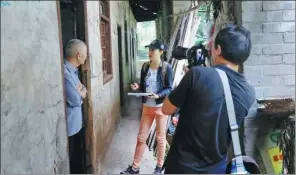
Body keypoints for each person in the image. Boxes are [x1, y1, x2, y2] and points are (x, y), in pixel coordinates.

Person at [160, 25, 256, 174]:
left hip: (181, 167)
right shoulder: (249, 93)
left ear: (218, 49)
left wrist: (186, 82)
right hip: (216, 169)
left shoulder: (197, 75)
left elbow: (166, 109)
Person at [120, 39, 174, 174]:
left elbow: (170, 88)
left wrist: (159, 94)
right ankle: (135, 167)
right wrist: (137, 86)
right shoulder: (145, 67)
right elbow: (144, 86)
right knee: (141, 137)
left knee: (160, 138)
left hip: (161, 107)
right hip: (147, 107)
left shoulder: (167, 68)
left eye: (152, 50)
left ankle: (159, 167)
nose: (149, 52)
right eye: (149, 50)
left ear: (160, 52)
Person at [64, 39, 88, 174]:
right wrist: (81, 93)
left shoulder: (73, 71)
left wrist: (81, 91)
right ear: (79, 55)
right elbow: (75, 100)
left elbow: (83, 89)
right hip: (70, 129)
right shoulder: (66, 73)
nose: (86, 55)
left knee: (79, 159)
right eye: (85, 52)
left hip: (78, 125)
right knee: (73, 162)